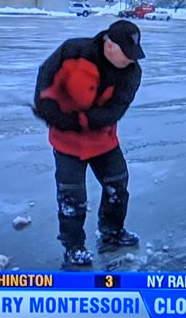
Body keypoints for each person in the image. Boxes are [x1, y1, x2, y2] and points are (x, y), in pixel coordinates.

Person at [32, 20, 145, 266]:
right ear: (109, 44)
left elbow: (116, 109)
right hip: (66, 143)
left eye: (133, 55)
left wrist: (81, 120)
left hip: (103, 140)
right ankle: (73, 247)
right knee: (72, 197)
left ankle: (111, 231)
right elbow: (46, 78)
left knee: (117, 186)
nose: (130, 60)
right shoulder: (73, 51)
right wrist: (47, 107)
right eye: (126, 53)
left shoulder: (132, 72)